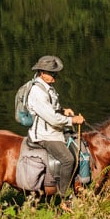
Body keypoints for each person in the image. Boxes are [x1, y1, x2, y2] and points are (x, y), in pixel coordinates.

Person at [26, 55, 85, 206]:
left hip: (53, 130)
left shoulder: (47, 87)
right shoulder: (37, 92)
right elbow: (51, 118)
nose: (55, 76)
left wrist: (63, 111)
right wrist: (72, 120)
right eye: (52, 73)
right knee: (68, 159)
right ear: (41, 72)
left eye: (55, 73)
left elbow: (51, 109)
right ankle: (62, 198)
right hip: (45, 134)